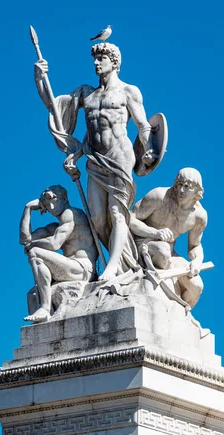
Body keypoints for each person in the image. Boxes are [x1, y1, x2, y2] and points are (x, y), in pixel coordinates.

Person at [34, 43, 156, 281]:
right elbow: (55, 107)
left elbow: (143, 126)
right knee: (98, 219)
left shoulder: (128, 91)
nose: (96, 63)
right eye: (95, 59)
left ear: (114, 62)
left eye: (101, 59)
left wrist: (149, 149)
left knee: (116, 212)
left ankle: (111, 268)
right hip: (94, 159)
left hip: (120, 158)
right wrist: (40, 79)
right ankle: (122, 263)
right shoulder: (86, 93)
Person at [130, 167, 207, 310]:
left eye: (187, 187)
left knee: (197, 287)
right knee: (163, 250)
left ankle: (179, 313)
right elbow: (130, 219)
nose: (181, 190)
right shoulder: (159, 196)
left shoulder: (199, 216)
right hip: (143, 243)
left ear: (197, 191)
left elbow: (195, 246)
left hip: (169, 254)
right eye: (179, 184)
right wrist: (154, 233)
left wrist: (197, 261)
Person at [19, 185, 97, 323]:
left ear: (63, 198)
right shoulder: (55, 227)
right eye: (45, 202)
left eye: (52, 199)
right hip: (71, 269)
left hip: (83, 268)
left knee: (35, 253)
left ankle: (45, 308)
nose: (50, 205)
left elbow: (54, 244)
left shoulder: (72, 213)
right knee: (32, 294)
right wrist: (28, 209)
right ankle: (42, 327)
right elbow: (25, 240)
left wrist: (32, 245)